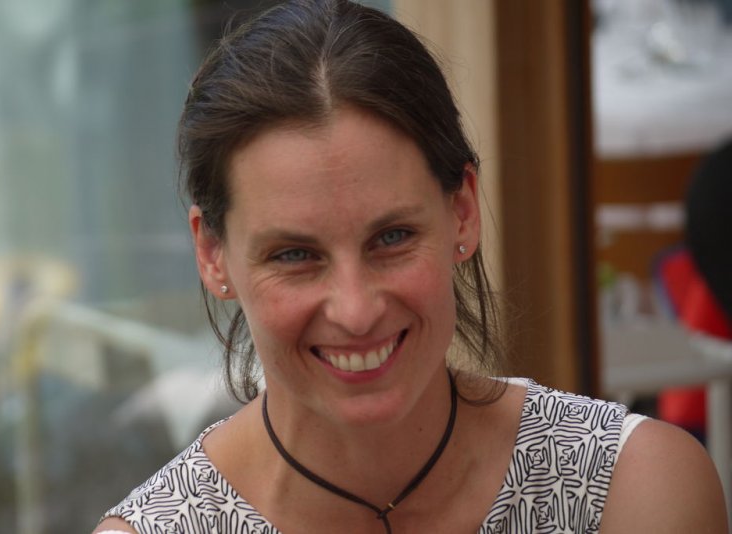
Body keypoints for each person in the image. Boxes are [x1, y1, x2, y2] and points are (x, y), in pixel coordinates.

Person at [94, 1, 728, 532]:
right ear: (212, 254)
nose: (356, 309)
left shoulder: (634, 492)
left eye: (391, 238)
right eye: (295, 255)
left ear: (463, 212)